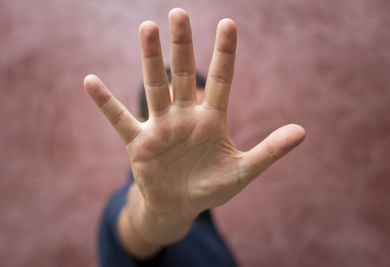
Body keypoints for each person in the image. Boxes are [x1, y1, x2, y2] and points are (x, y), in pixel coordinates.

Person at [84, 8, 306, 267]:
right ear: (144, 126)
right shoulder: (122, 207)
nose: (188, 142)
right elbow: (139, 226)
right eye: (176, 130)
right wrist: (162, 215)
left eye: (197, 129)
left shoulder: (204, 213)